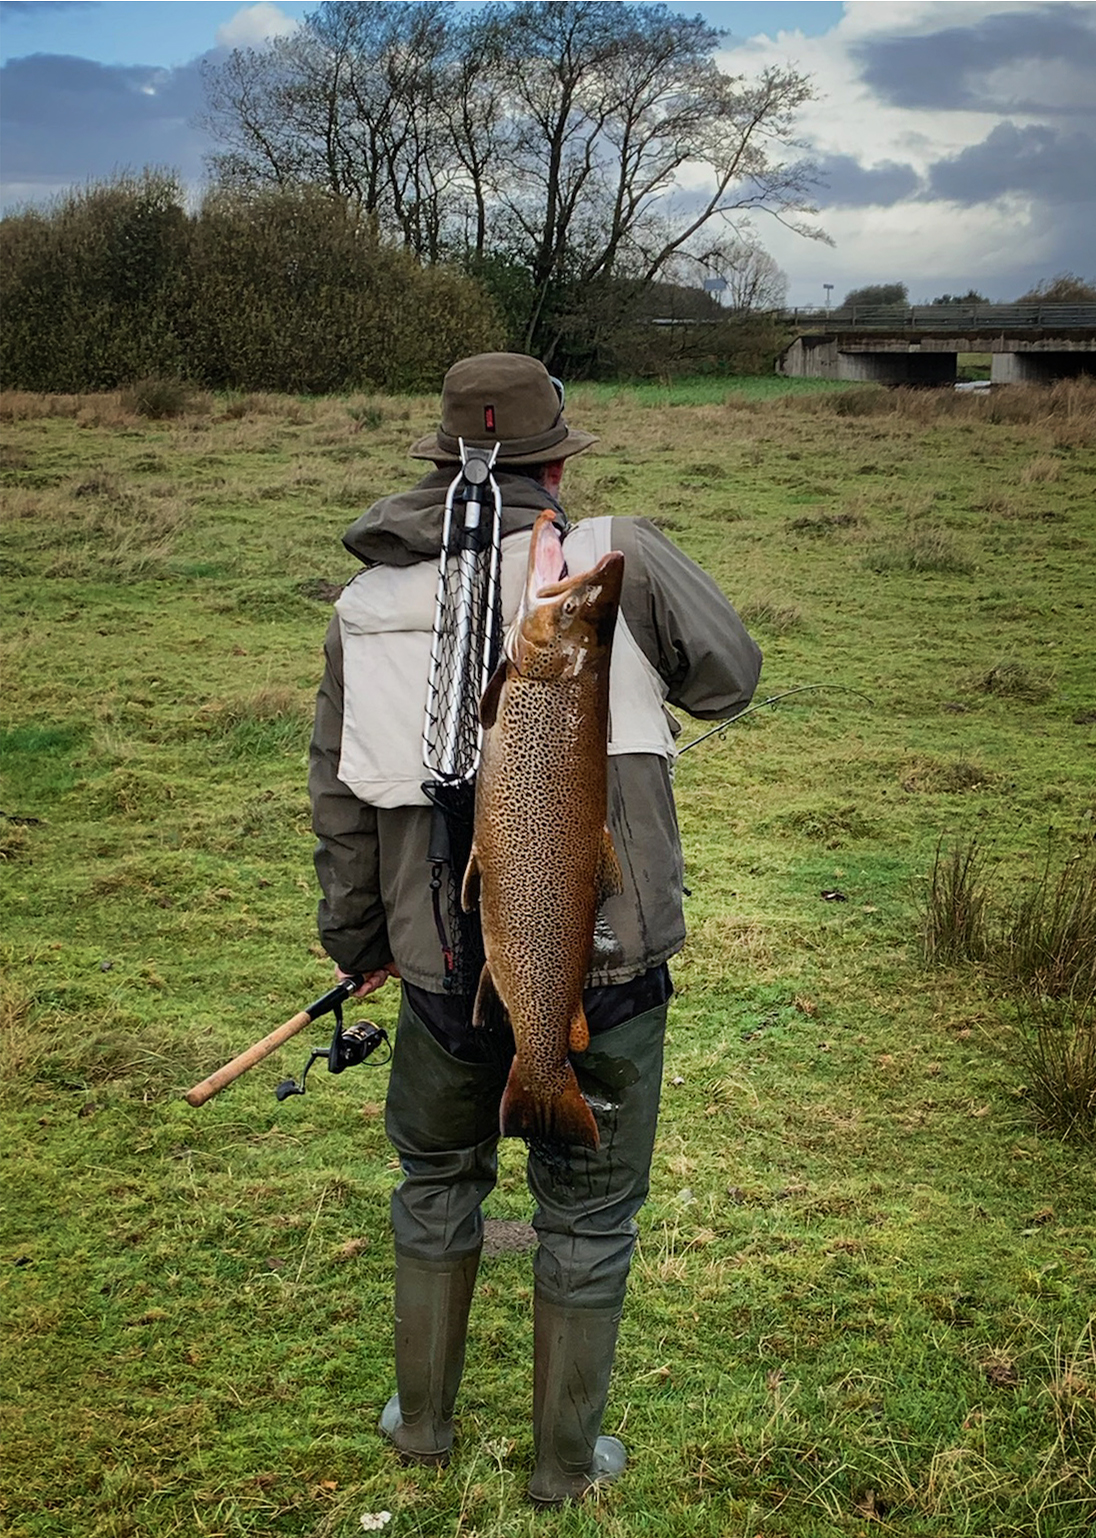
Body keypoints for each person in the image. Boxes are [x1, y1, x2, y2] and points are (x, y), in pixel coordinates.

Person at [308, 352, 762, 1504]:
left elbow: (339, 800)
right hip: (606, 970)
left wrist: (361, 942)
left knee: (434, 1180)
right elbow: (729, 677)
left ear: (444, 459)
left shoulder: (363, 606)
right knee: (592, 1210)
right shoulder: (621, 554)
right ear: (555, 461)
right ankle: (563, 1464)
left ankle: (422, 1427)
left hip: (434, 969)